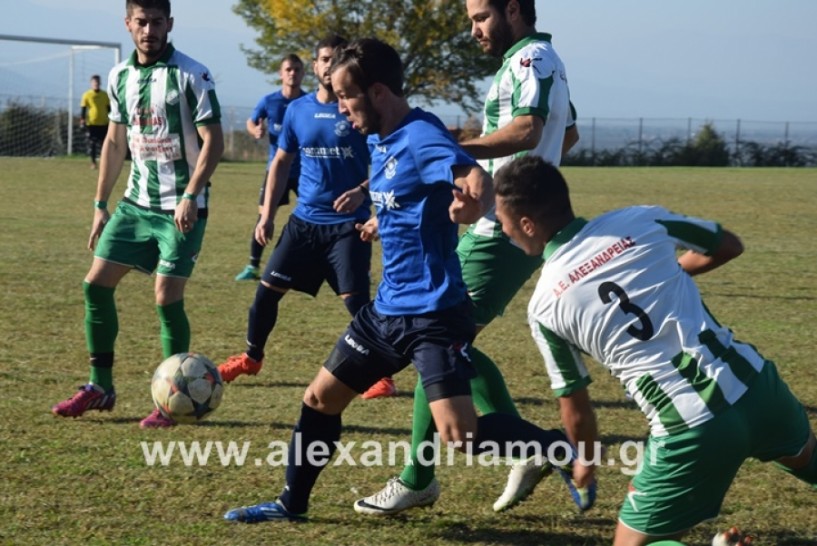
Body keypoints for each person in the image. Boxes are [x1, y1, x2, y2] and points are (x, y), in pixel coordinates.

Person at [222, 37, 592, 524]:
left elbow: (473, 179)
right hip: (385, 310)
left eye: (346, 97)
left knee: (462, 434)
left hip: (434, 313)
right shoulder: (378, 137)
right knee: (318, 399)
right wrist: (375, 210)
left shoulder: (420, 133)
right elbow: (405, 188)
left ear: (376, 93)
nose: (341, 107)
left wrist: (469, 204)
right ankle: (291, 505)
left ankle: (556, 448)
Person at [493, 155, 817, 546]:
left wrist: (586, 458)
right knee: (806, 459)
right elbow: (728, 245)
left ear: (527, 224)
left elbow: (575, 407)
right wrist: (668, 274)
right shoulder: (640, 219)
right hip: (757, 387)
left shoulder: (544, 306)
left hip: (690, 428)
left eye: (504, 221)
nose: (505, 231)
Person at [356, 0, 579, 515]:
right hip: (492, 220)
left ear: (513, 10)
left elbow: (528, 129)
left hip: (502, 231)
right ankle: (529, 450)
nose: (474, 29)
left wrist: (457, 150)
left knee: (433, 342)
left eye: (481, 17)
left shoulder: (532, 61)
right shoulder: (533, 61)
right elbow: (567, 134)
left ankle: (417, 477)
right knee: (448, 342)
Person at [50, 0, 224, 429]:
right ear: (128, 24)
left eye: (157, 22)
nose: (149, 30)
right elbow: (113, 143)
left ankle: (172, 401)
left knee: (166, 296)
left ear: (170, 24)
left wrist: (190, 194)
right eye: (141, 22)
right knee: (95, 286)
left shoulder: (191, 74)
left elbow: (213, 142)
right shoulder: (119, 76)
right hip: (133, 205)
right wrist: (99, 206)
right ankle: (99, 386)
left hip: (181, 208)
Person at [217, 35, 395, 400]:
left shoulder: (358, 110)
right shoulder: (297, 110)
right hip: (303, 223)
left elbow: (384, 163)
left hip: (348, 227)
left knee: (357, 304)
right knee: (265, 296)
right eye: (323, 59)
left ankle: (382, 374)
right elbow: (281, 163)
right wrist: (266, 214)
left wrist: (362, 192)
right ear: (314, 65)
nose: (329, 66)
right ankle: (251, 358)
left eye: (336, 59)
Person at [235, 54, 306, 282]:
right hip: (276, 170)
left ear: (303, 73)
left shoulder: (308, 102)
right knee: (264, 217)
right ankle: (253, 266)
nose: (292, 73)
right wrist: (254, 130)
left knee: (315, 217)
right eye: (288, 69)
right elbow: (251, 120)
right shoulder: (269, 101)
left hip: (306, 172)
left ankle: (314, 266)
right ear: (281, 73)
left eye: (297, 69)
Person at [79, 74, 110, 170]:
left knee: (104, 144)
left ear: (100, 83)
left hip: (104, 123)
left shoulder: (105, 95)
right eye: (94, 82)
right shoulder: (87, 95)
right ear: (91, 83)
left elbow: (109, 108)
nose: (96, 84)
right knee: (92, 143)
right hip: (91, 123)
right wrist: (82, 120)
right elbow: (83, 108)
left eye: (97, 82)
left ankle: (103, 162)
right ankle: (93, 162)